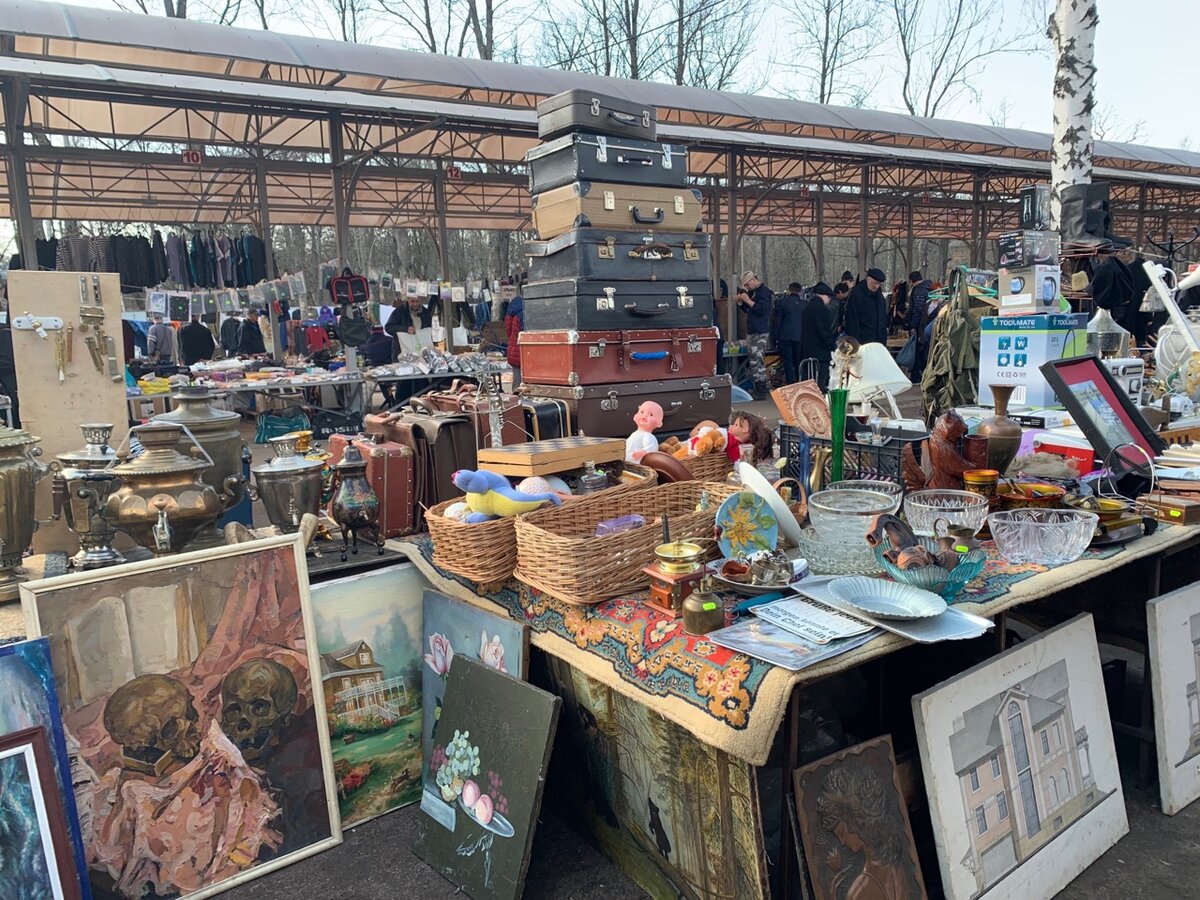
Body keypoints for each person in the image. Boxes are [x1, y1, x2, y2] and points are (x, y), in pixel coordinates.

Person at [736, 270, 773, 399]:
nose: (747, 288)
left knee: (758, 360)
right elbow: (749, 310)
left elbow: (762, 310)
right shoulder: (753, 293)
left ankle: (761, 389)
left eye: (747, 285)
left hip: (760, 330)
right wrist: (741, 302)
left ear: (752, 280)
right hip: (753, 330)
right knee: (753, 360)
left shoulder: (764, 292)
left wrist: (748, 300)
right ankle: (759, 386)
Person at [800, 282, 838, 390]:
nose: (829, 300)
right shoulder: (822, 309)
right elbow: (824, 331)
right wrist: (832, 345)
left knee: (808, 382)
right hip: (820, 353)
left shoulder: (806, 308)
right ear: (823, 296)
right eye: (829, 297)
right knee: (819, 383)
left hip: (807, 351)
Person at [771, 282, 806, 385]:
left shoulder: (781, 302)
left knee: (788, 362)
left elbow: (777, 321)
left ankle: (791, 384)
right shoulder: (804, 304)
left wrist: (775, 337)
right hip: (800, 337)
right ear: (800, 292)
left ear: (789, 291)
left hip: (785, 337)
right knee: (799, 362)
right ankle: (800, 382)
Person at [843, 267, 888, 345]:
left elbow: (883, 320)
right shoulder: (856, 296)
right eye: (875, 283)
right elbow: (852, 321)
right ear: (868, 279)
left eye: (879, 284)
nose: (876, 286)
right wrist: (856, 342)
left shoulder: (880, 297)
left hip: (878, 342)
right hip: (862, 341)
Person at [904, 270, 934, 382]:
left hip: (921, 326)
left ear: (911, 281)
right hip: (928, 326)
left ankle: (916, 375)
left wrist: (912, 324)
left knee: (918, 351)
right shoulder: (929, 287)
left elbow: (917, 309)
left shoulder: (918, 290)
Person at [505, 289, 525, 388]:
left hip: (513, 350)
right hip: (523, 352)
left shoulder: (512, 308)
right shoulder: (525, 312)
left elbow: (508, 329)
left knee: (517, 382)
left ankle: (515, 402)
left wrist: (512, 342)